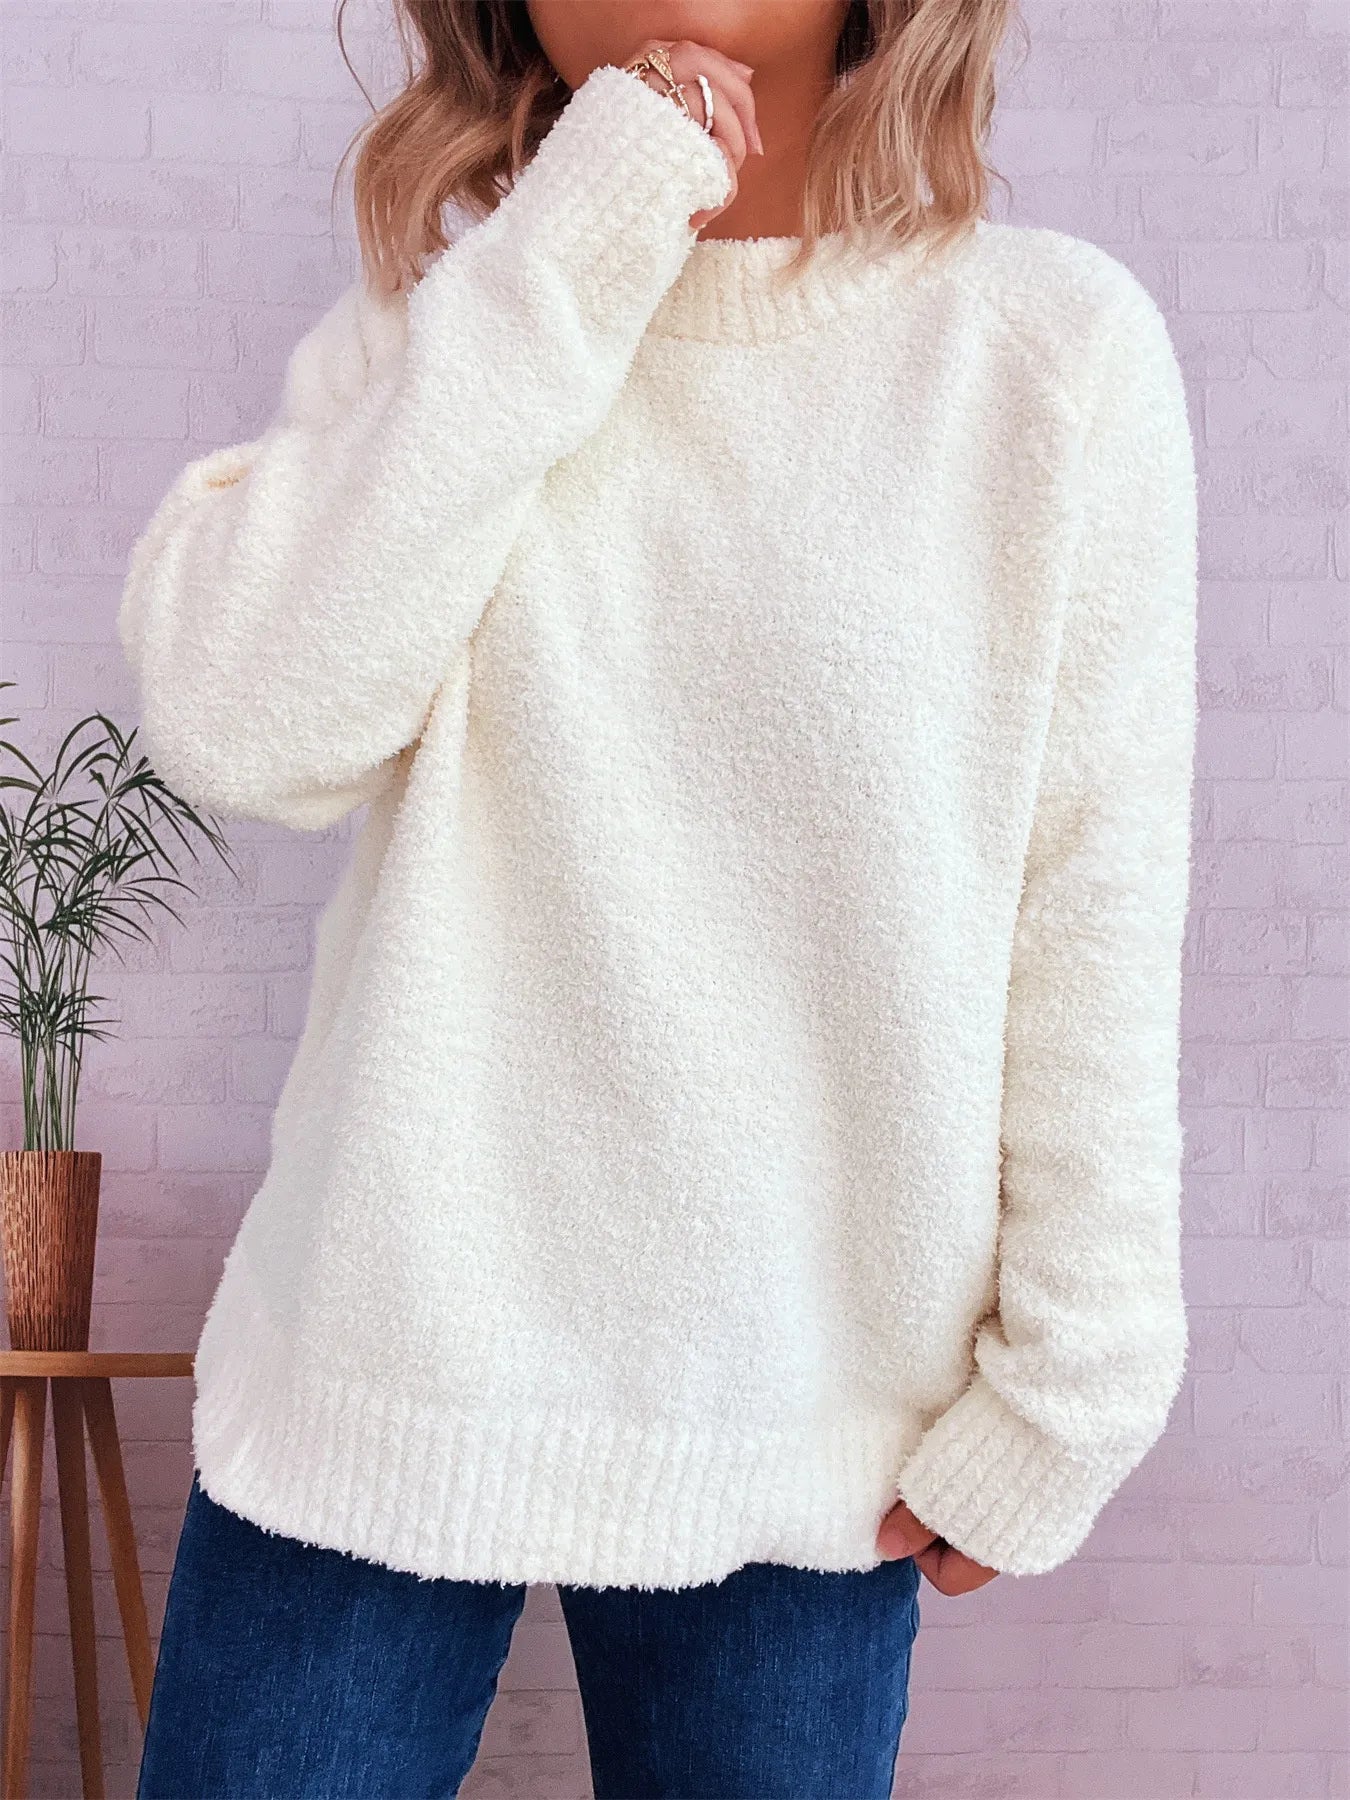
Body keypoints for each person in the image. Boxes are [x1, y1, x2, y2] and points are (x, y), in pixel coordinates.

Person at [119, 0, 1199, 1795]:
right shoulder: (445, 323)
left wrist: (1078, 1381)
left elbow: (1088, 900)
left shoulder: (1042, 351)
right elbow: (242, 726)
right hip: (385, 1358)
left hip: (806, 1401)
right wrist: (581, 231)